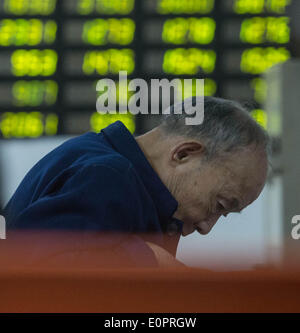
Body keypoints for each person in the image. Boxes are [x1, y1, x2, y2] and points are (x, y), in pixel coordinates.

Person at [3, 96, 269, 268]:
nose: (205, 227)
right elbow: (36, 273)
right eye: (219, 204)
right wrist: (150, 261)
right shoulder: (106, 177)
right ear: (185, 153)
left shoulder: (101, 162)